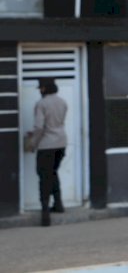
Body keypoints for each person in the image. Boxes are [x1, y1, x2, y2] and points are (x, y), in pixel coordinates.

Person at [26, 77, 67, 227]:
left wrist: (32, 143)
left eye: (40, 89)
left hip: (46, 145)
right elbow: (55, 123)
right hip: (61, 143)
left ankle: (45, 213)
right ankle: (58, 204)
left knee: (44, 176)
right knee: (53, 172)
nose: (40, 91)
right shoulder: (62, 102)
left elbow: (39, 127)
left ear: (43, 89)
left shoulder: (41, 104)